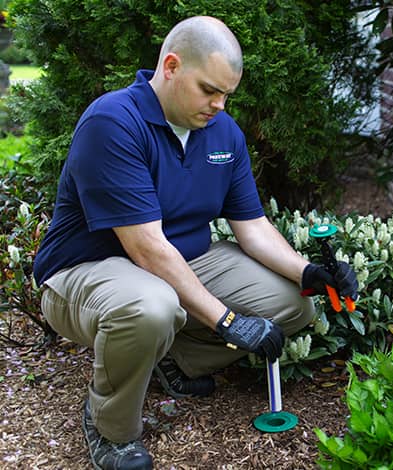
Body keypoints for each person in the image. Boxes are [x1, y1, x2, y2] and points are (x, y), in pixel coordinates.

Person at [32, 16, 358, 470]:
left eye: (227, 94)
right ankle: (110, 429)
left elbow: (253, 226)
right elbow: (146, 248)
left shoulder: (223, 133)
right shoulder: (112, 122)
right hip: (87, 271)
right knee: (150, 308)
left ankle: (173, 360)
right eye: (209, 90)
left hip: (180, 262)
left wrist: (309, 273)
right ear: (170, 66)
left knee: (293, 304)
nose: (219, 105)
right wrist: (226, 321)